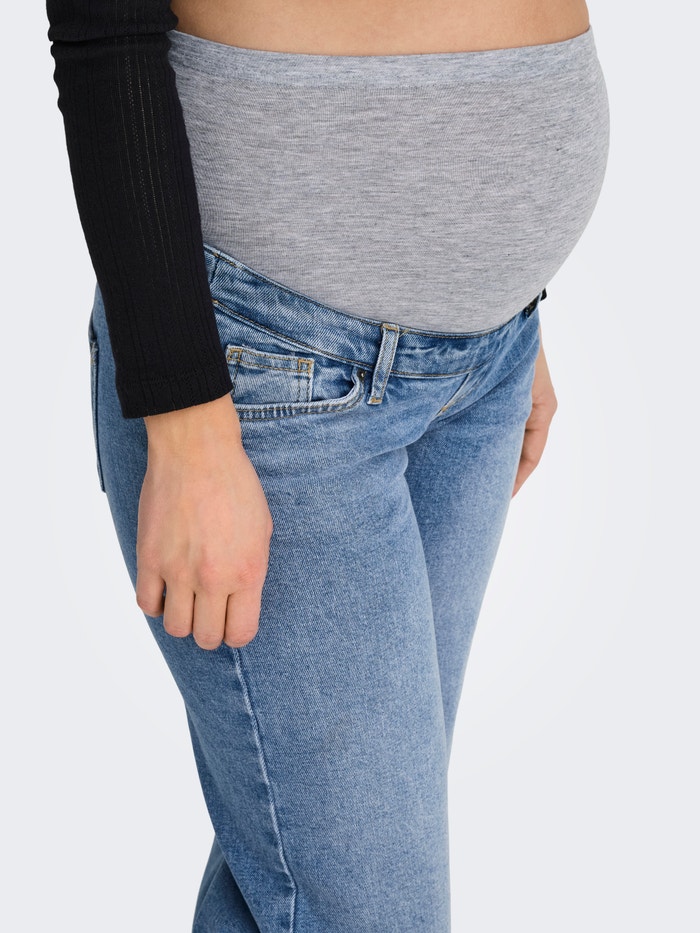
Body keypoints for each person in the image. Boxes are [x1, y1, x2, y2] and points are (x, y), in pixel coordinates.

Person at [46, 1, 609, 929]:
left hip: (486, 359)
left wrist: (491, 294)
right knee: (363, 902)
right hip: (267, 372)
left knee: (302, 879)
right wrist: (186, 422)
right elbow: (104, 25)